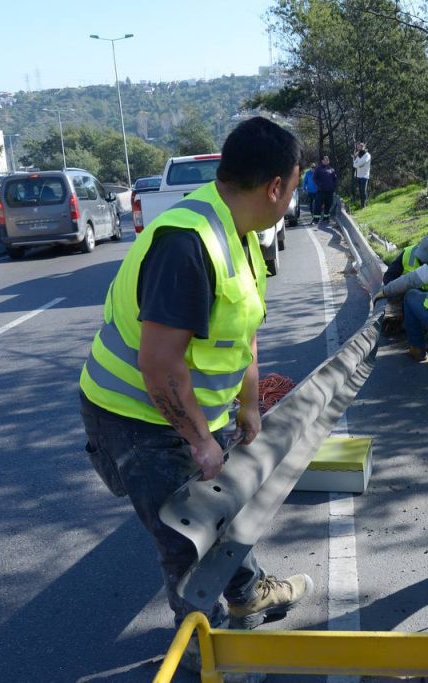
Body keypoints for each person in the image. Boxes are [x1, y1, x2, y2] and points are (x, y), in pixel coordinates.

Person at [78, 117, 315, 658]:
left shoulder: (241, 232)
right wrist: (201, 441)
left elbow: (243, 326)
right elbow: (159, 366)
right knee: (190, 539)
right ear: (275, 186)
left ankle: (249, 595)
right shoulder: (188, 242)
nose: (292, 196)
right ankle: (201, 654)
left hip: (183, 409)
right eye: (295, 185)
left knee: (221, 506)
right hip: (133, 416)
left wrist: (248, 405)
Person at [313, 154, 338, 222]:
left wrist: (334, 186)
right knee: (318, 205)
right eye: (325, 159)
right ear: (322, 161)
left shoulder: (331, 169)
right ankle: (316, 219)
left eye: (328, 159)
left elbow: (335, 179)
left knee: (328, 205)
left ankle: (326, 218)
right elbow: (315, 178)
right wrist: (320, 185)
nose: (327, 160)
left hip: (329, 191)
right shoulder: (318, 169)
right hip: (321, 191)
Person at [352, 142, 371, 209]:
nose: (358, 148)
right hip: (358, 175)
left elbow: (361, 163)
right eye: (358, 147)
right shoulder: (358, 155)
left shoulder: (367, 155)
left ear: (363, 147)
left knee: (363, 190)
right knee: (360, 191)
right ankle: (362, 205)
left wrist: (357, 163)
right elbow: (354, 165)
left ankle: (364, 205)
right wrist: (355, 160)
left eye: (360, 147)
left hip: (365, 175)